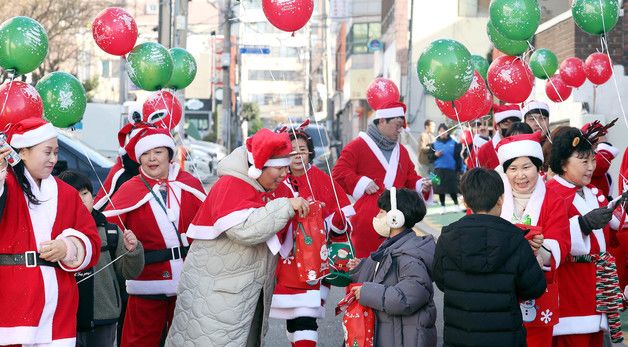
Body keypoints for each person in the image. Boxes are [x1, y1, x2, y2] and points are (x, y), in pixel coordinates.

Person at [166, 128, 311, 347]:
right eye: (279, 168)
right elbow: (244, 230)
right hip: (216, 299)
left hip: (242, 296)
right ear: (259, 166)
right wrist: (287, 206)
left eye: (286, 168)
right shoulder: (231, 184)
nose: (284, 175)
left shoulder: (269, 186)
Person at [0, 118, 101, 346]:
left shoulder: (66, 193)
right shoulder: (5, 186)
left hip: (58, 307)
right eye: (47, 152)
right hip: (10, 302)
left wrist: (69, 247)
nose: (54, 159)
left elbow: (92, 242)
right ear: (23, 152)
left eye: (56, 152)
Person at [103, 125, 206, 347]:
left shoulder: (189, 183)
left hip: (189, 279)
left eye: (158, 152)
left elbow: (209, 224)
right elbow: (108, 226)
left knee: (188, 341)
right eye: (146, 154)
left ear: (170, 155)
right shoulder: (130, 188)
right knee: (139, 341)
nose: (152, 159)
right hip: (147, 280)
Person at [433, 168, 546, 347]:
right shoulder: (515, 238)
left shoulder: (447, 237)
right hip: (506, 338)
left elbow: (441, 281)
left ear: (466, 201)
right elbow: (534, 288)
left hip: (460, 337)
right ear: (501, 199)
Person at [269, 124, 355, 347]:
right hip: (284, 260)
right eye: (292, 151)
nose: (298, 156)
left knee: (307, 314)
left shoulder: (322, 179)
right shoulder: (276, 179)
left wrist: (335, 222)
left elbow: (343, 222)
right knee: (294, 317)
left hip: (317, 260)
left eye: (303, 150)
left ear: (310, 153)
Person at [546, 127, 627, 346]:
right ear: (563, 163)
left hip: (597, 285)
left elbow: (616, 227)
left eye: (592, 160)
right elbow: (549, 238)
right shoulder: (550, 193)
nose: (591, 167)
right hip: (570, 284)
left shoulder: (593, 192)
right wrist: (582, 225)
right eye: (584, 161)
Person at [495, 132, 571, 346]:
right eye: (513, 169)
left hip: (538, 290)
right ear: (505, 171)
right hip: (500, 291)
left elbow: (561, 243)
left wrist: (542, 248)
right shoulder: (496, 196)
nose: (520, 175)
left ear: (538, 167)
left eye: (526, 167)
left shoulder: (554, 199)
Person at [332, 101, 432, 258]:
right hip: (369, 220)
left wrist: (421, 184)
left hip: (399, 221)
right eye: (397, 124)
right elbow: (338, 173)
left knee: (396, 267)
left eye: (401, 125)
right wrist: (362, 182)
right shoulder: (357, 146)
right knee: (366, 267)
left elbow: (409, 177)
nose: (400, 129)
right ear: (382, 120)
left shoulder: (402, 151)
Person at [57, 170, 145, 347]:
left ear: (93, 196)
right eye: (74, 194)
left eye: (85, 193)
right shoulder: (52, 232)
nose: (81, 199)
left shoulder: (110, 231)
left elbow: (130, 272)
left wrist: (133, 250)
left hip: (104, 317)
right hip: (61, 319)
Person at [348, 188, 436, 346]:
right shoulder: (392, 246)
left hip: (404, 339)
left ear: (396, 218)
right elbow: (382, 275)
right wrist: (360, 267)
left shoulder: (409, 256)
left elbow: (407, 298)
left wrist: (367, 292)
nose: (377, 216)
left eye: (381, 212)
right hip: (395, 335)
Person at [581, 121, 620, 199]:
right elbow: (599, 166)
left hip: (602, 198)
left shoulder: (595, 153)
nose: (606, 138)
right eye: (603, 134)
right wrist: (605, 150)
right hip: (594, 199)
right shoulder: (585, 154)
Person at [477, 104, 522, 169]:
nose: (511, 128)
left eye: (514, 124)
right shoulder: (485, 150)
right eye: (506, 124)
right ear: (498, 126)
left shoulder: (526, 145)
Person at [432, 123, 463, 214]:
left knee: (452, 189)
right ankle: (442, 207)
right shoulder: (434, 144)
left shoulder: (454, 143)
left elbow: (458, 158)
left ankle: (456, 205)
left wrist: (459, 170)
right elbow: (430, 158)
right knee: (440, 190)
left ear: (447, 132)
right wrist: (435, 155)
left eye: (444, 131)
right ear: (438, 132)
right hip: (439, 170)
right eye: (440, 131)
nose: (442, 133)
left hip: (451, 170)